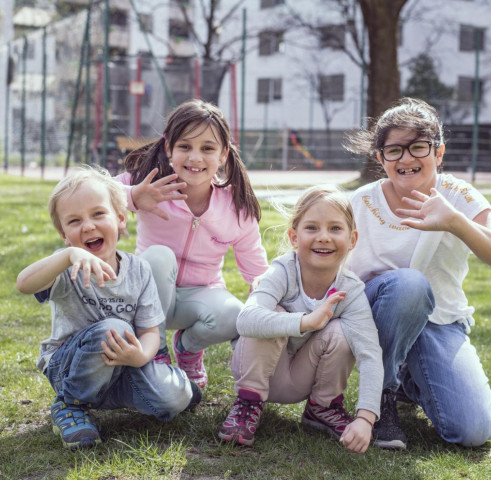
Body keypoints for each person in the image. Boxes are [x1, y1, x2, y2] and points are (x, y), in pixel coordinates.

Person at [345, 97, 491, 450]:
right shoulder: (359, 202)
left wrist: (455, 222)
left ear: (438, 153)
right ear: (380, 158)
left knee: (472, 431)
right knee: (409, 284)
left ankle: (410, 378)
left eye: (418, 147)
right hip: (371, 319)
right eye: (394, 150)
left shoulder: (458, 196)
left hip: (438, 322)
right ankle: (382, 396)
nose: (406, 159)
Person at [16, 166, 201, 450]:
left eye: (98, 214)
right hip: (70, 367)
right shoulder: (66, 266)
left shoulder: (138, 270)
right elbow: (24, 284)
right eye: (74, 221)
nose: (88, 226)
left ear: (121, 219)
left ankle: (177, 386)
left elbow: (151, 330)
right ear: (65, 236)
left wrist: (141, 356)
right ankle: (70, 403)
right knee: (115, 329)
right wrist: (67, 256)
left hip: (123, 367)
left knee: (173, 398)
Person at [218, 185, 384, 453]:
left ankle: (323, 407)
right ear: (294, 237)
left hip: (299, 379)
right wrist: (306, 322)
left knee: (343, 331)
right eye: (311, 228)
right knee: (273, 315)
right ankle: (248, 404)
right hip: (256, 371)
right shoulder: (281, 272)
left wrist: (365, 418)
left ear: (352, 240)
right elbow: (246, 320)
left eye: (335, 228)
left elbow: (370, 356)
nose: (324, 237)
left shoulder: (351, 290)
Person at [117, 99, 269, 388]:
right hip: (146, 297)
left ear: (223, 154)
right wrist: (134, 196)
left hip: (198, 297)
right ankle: (155, 351)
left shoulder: (236, 207)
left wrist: (268, 306)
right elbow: (95, 190)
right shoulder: (151, 184)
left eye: (207, 148)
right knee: (159, 257)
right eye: (185, 146)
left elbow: (258, 272)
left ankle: (187, 349)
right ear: (168, 148)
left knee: (234, 314)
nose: (195, 157)